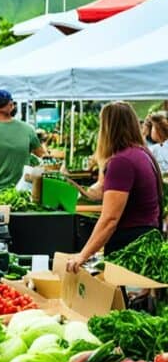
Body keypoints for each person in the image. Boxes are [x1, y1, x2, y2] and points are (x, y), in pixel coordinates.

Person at [67, 103, 164, 273]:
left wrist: (83, 255)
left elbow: (110, 219)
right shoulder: (141, 153)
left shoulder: (122, 162)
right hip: (145, 241)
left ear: (108, 128)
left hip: (130, 246)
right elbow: (102, 192)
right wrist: (74, 185)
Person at [0, 90, 46, 189]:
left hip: (22, 192)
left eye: (10, 102)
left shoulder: (27, 130)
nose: (10, 105)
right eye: (6, 103)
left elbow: (43, 156)